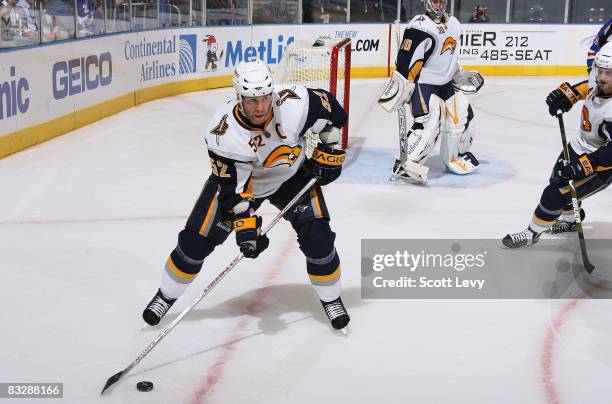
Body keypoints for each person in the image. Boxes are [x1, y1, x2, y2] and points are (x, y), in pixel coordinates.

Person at [142, 59, 351, 331]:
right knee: (194, 243)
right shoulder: (223, 132)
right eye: (252, 100)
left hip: (292, 177)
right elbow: (233, 193)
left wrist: (331, 147)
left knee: (319, 240)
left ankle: (331, 298)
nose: (260, 107)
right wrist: (246, 228)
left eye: (264, 97)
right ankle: (166, 295)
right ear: (238, 96)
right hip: (245, 187)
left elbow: (334, 113)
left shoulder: (296, 103)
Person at [502, 42, 612, 248]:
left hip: (601, 166)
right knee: (556, 179)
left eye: (609, 73)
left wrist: (582, 166)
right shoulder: (598, 79)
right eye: (600, 70)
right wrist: (566, 96)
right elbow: (584, 87)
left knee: (555, 193)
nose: (602, 77)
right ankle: (571, 222)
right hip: (577, 147)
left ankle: (531, 233)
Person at [377, 0, 484, 182]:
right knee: (430, 119)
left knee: (462, 112)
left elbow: (448, 56)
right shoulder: (419, 27)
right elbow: (405, 62)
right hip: (424, 83)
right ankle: (406, 163)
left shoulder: (454, 24)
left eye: (441, 2)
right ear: (427, 3)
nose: (438, 5)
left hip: (445, 83)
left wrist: (458, 73)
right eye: (435, 2)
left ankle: (454, 158)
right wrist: (402, 86)